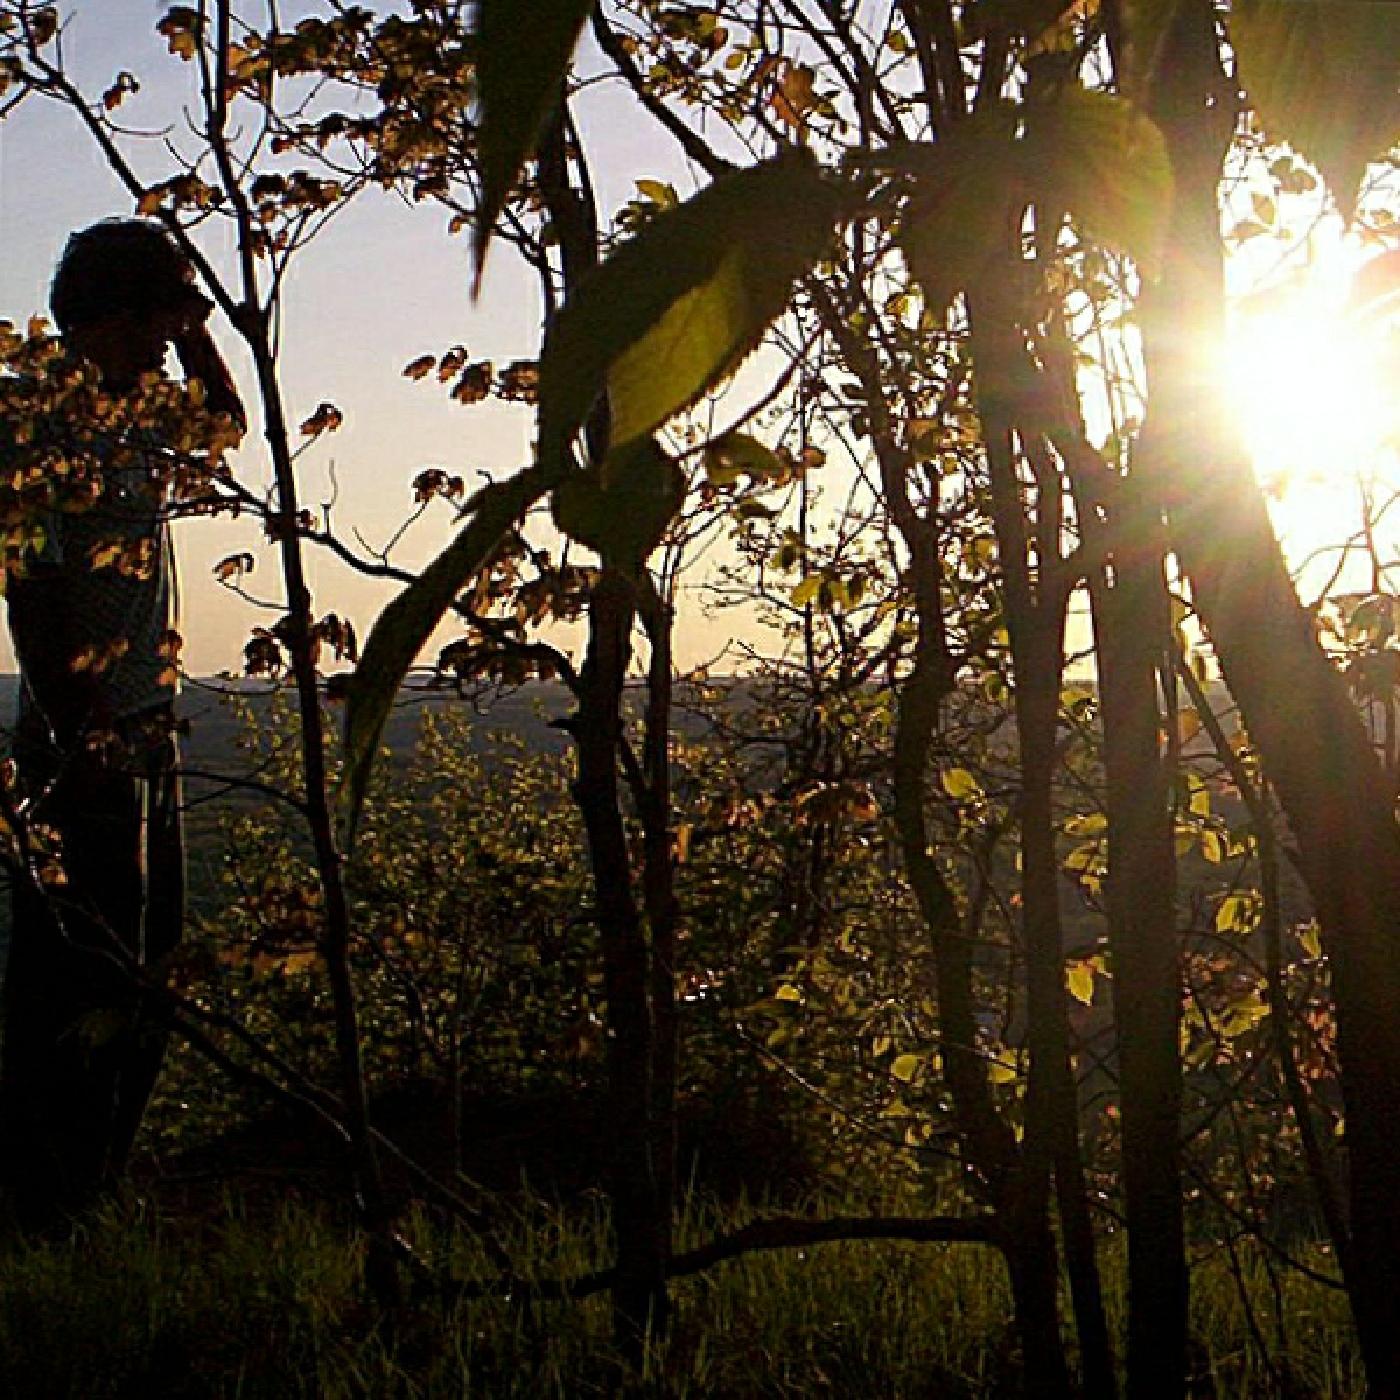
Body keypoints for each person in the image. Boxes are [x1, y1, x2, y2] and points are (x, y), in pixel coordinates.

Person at [0, 219, 244, 1230]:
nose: (164, 345)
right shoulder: (34, 420)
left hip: (149, 732)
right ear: (110, 315)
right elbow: (30, 587)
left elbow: (224, 426)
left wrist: (196, 336)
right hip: (82, 744)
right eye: (157, 320)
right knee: (76, 979)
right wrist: (84, 735)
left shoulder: (137, 410)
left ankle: (95, 1183)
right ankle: (41, 1200)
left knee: (148, 971)